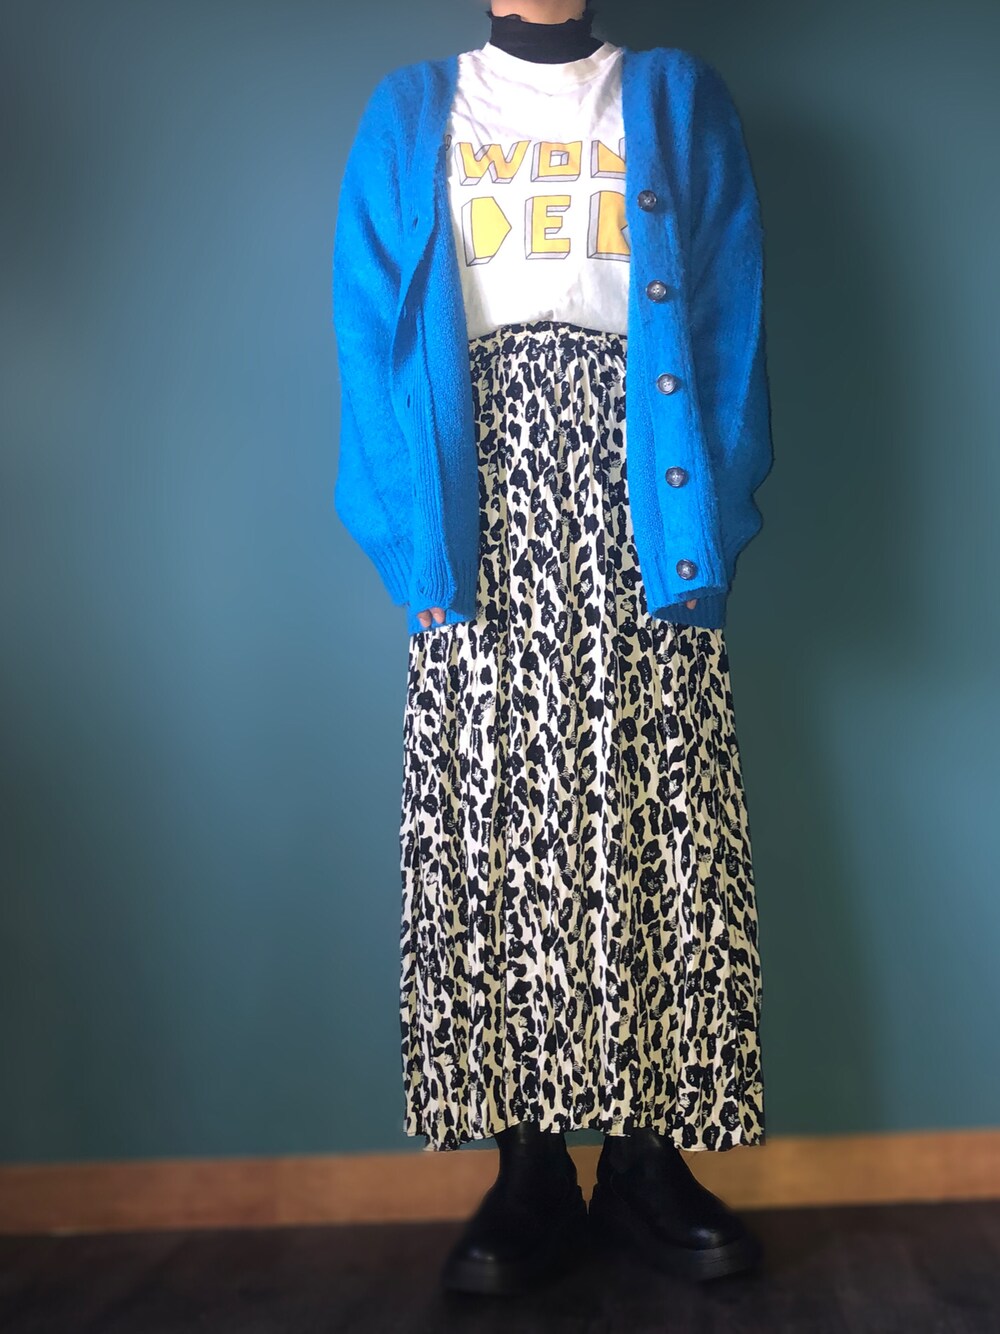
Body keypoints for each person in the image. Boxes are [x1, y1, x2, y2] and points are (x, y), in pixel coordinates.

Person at [331, 0, 775, 1297]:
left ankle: (645, 1157)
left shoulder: (677, 98)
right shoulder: (411, 112)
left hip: (648, 504)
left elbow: (731, 327)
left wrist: (709, 522)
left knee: (657, 814)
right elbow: (370, 340)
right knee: (496, 828)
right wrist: (416, 549)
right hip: (481, 520)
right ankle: (526, 1164)